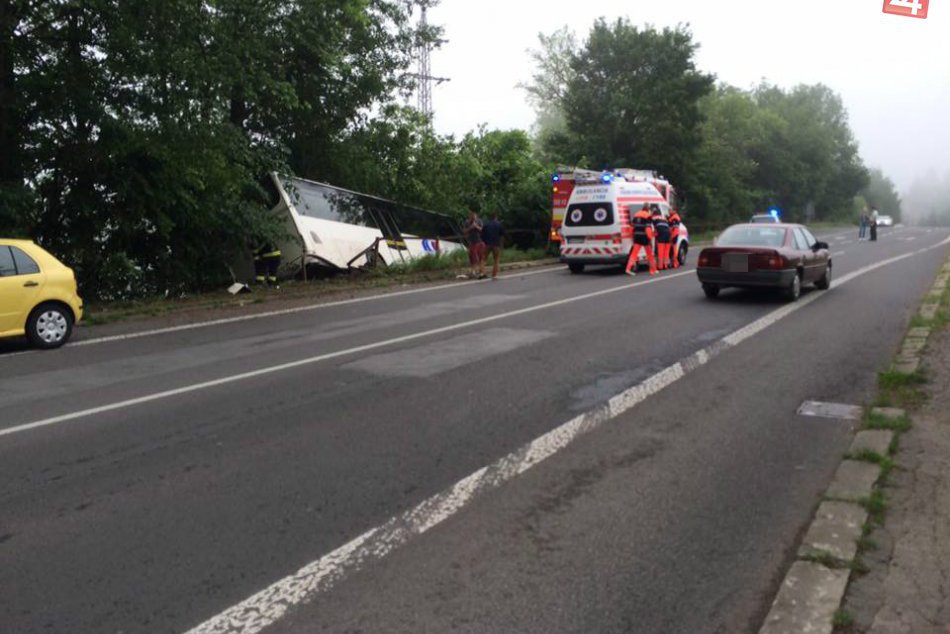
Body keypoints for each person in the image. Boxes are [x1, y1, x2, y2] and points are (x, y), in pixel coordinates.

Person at [625, 203, 656, 276]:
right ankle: (652, 270)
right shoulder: (648, 216)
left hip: (637, 237)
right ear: (648, 208)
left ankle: (628, 269)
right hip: (644, 237)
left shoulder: (636, 214)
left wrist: (632, 235)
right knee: (649, 254)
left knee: (634, 254)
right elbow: (648, 228)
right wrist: (650, 238)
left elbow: (632, 227)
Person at [481, 214, 506, 279]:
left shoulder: (486, 225)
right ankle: (494, 274)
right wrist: (501, 246)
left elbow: (482, 235)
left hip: (487, 244)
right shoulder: (499, 224)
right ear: (496, 217)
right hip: (496, 245)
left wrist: (485, 242)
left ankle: (483, 273)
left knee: (483, 259)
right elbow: (502, 236)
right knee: (496, 260)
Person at [463, 211, 486, 278]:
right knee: (472, 257)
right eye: (472, 217)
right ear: (470, 216)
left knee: (481, 257)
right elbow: (464, 231)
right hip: (472, 242)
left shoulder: (479, 221)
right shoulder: (467, 222)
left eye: (474, 217)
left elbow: (482, 229)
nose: (473, 218)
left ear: (476, 216)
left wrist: (476, 226)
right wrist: (471, 227)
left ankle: (481, 271)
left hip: (479, 241)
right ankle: (473, 271)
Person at [651, 204, 672, 271]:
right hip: (668, 234)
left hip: (662, 234)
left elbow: (651, 226)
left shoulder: (654, 218)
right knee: (666, 252)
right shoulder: (663, 218)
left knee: (660, 252)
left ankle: (660, 266)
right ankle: (665, 265)